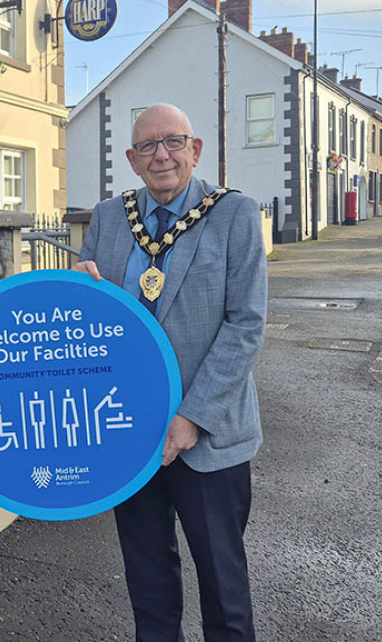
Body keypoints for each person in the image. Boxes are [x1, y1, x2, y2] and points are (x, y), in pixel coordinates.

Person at [73, 103, 267, 641]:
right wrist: (80, 289)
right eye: (147, 147)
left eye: (172, 142)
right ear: (133, 161)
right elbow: (93, 323)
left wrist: (190, 418)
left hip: (208, 434)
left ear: (195, 149)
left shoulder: (234, 213)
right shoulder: (111, 216)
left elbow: (245, 324)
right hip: (129, 434)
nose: (161, 155)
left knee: (223, 588)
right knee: (149, 584)